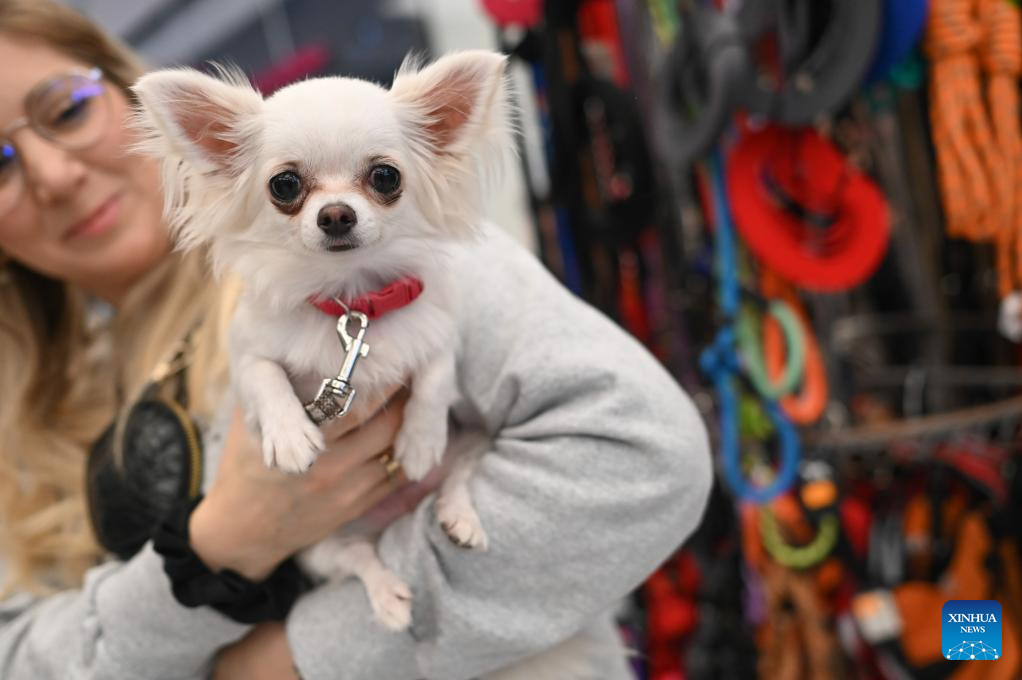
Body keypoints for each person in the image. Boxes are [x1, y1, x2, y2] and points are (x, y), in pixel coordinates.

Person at [0, 1, 713, 679]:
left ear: (125, 97)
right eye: (1, 160)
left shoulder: (393, 263)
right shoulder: (22, 419)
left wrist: (301, 659)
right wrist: (219, 544)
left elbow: (642, 456)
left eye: (65, 110)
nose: (54, 175)